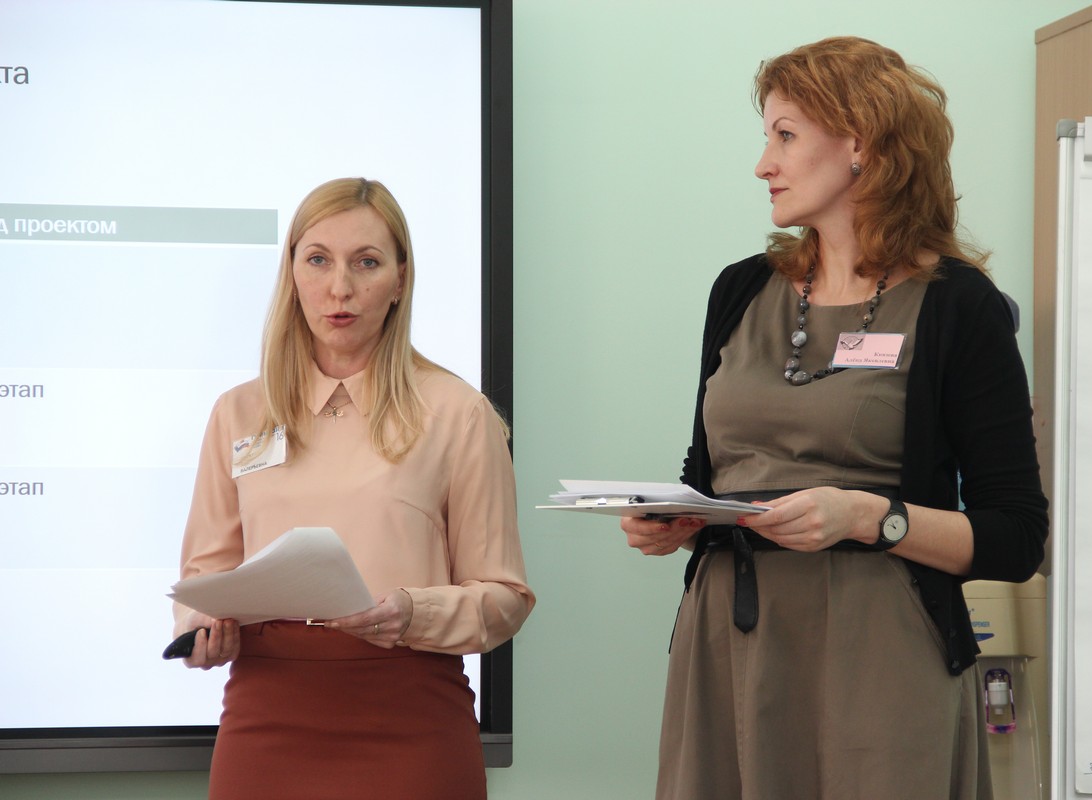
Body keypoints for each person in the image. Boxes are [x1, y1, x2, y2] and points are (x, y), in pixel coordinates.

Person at [621, 37, 1047, 799]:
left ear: (861, 144)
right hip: (728, 646)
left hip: (879, 657)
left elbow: (1017, 537)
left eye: (785, 136)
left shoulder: (959, 307)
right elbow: (709, 473)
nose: (763, 164)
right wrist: (681, 518)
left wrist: (868, 517)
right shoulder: (740, 291)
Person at [173, 177, 534, 799]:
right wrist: (200, 630)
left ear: (399, 280)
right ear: (292, 274)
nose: (340, 288)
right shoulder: (237, 413)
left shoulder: (458, 413)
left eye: (366, 263)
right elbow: (204, 574)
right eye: (318, 260)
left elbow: (505, 598)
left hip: (411, 720)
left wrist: (413, 613)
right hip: (266, 721)